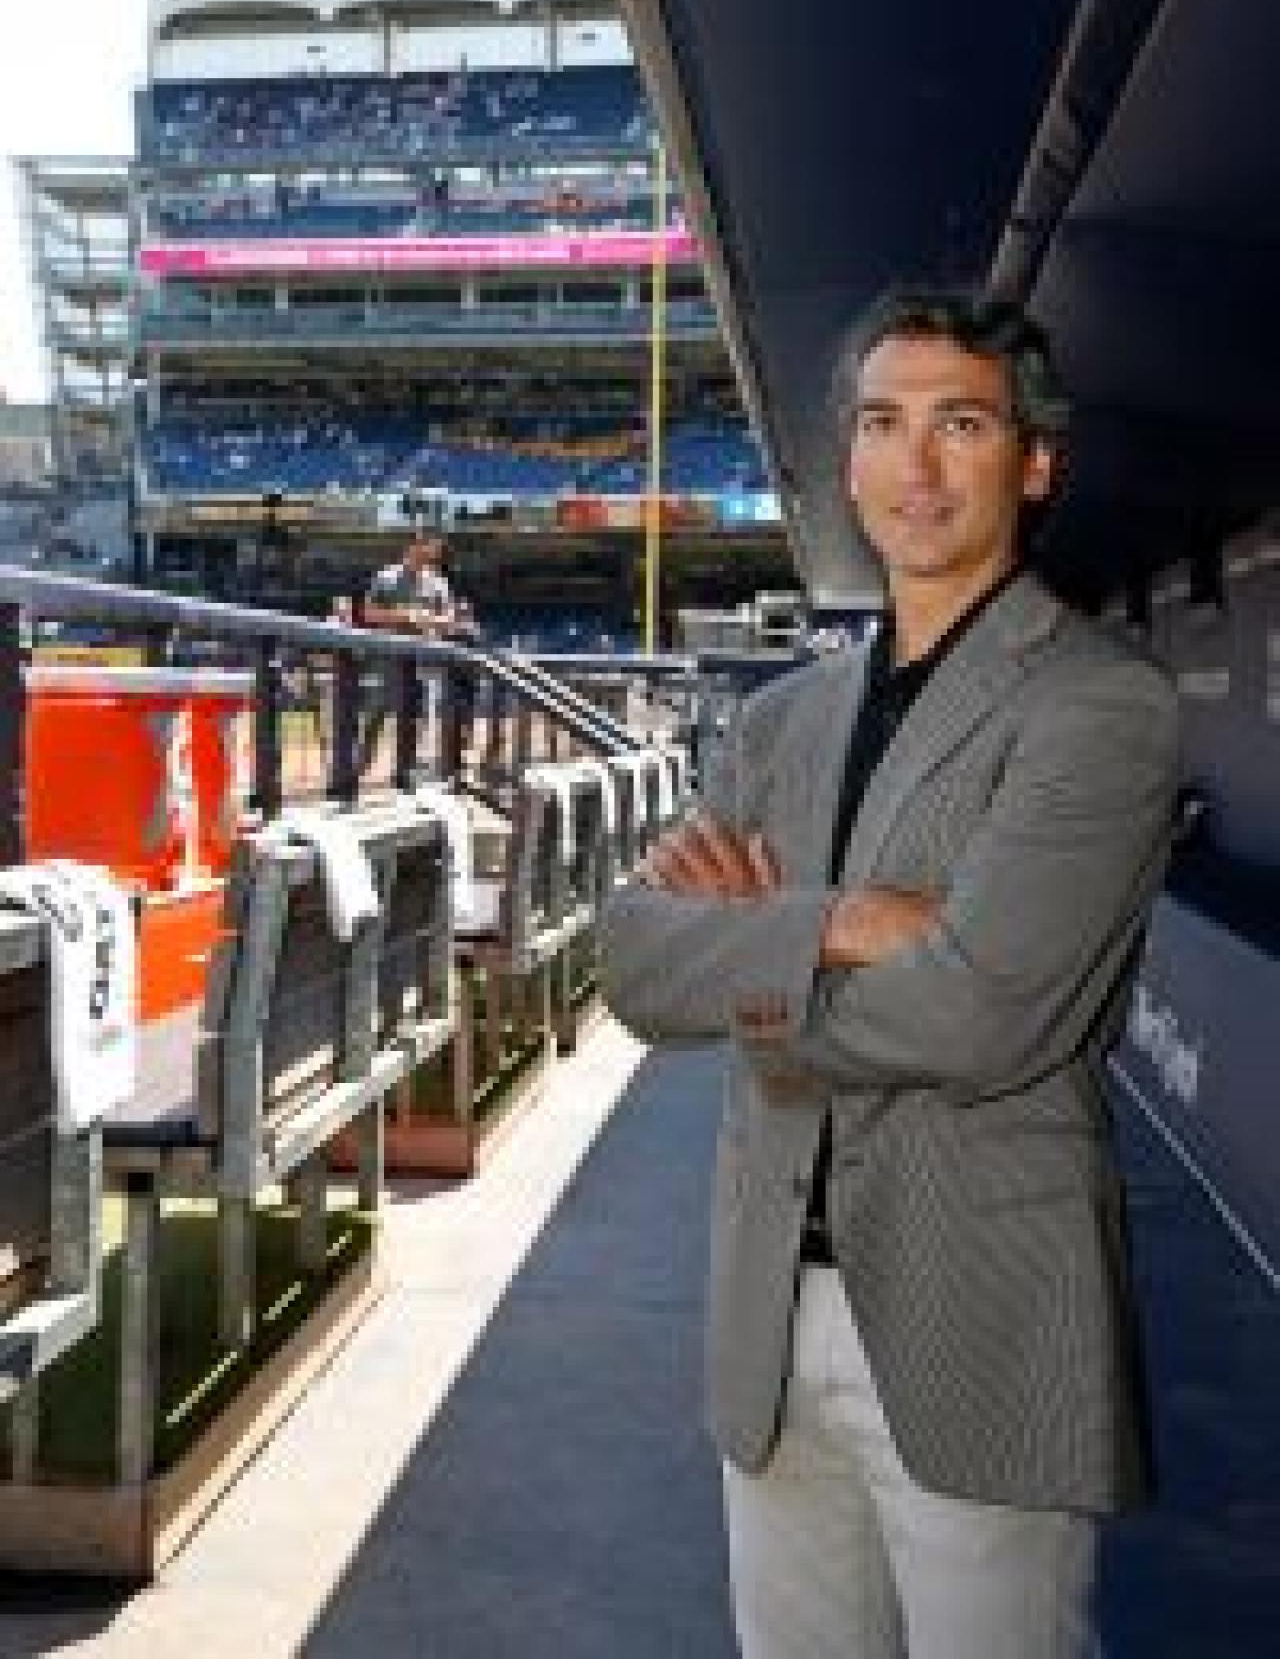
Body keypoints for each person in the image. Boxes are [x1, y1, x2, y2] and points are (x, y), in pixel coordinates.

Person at [598, 287, 1180, 1659]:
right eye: (883, 423)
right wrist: (849, 921)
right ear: (846, 460)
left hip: (976, 1313)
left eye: (960, 424)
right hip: (765, 1321)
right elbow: (632, 960)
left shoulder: (1100, 703)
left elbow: (982, 1014)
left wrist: (748, 972)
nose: (915, 466)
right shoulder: (783, 715)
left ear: (1032, 462)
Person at [355, 531, 479, 777]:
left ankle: (405, 771)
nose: (435, 554)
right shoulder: (386, 577)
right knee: (376, 713)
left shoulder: (438, 582)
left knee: (415, 714)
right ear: (414, 547)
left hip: (422, 657)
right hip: (388, 655)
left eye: (436, 550)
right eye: (430, 548)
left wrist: (431, 620)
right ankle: (358, 768)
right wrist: (404, 615)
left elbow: (450, 619)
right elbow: (367, 614)